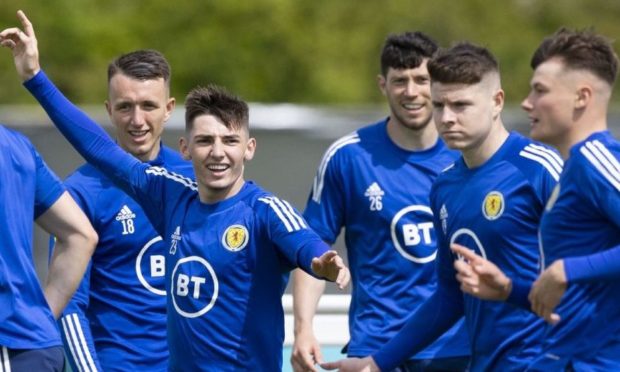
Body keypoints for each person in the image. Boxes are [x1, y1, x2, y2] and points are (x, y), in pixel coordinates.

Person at [1, 10, 350, 371]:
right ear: (186, 148)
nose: (217, 152)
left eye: (230, 141)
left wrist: (319, 260)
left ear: (249, 148)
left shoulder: (263, 210)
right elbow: (99, 149)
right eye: (204, 141)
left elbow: (302, 240)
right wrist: (35, 78)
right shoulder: (168, 195)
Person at [321, 42, 564, 372]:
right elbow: (449, 296)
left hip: (545, 361)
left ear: (497, 102)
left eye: (461, 105)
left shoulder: (539, 167)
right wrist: (377, 363)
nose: (447, 118)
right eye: (439, 105)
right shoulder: (445, 186)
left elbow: (588, 272)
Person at [291, 31, 469, 372]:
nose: (412, 91)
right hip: (375, 347)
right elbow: (314, 247)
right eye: (400, 80)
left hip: (454, 346)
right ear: (382, 85)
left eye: (422, 79)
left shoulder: (468, 155)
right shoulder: (349, 157)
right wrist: (303, 328)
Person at [452, 28, 620, 370]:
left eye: (540, 90)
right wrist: (509, 290)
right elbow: (576, 301)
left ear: (582, 97)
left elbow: (569, 275)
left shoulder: (597, 159)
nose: (527, 102)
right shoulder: (574, 168)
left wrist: (565, 270)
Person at [48, 49, 193, 372]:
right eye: (125, 107)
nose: (137, 120)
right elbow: (69, 304)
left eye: (148, 106)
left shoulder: (192, 179)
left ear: (169, 109)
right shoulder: (80, 193)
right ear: (109, 110)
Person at [0, 125, 97, 369]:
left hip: (12, 347)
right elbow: (80, 235)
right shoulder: (17, 146)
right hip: (30, 345)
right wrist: (38, 317)